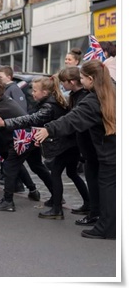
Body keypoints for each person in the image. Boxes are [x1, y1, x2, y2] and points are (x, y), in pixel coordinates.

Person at [35, 60, 116, 240]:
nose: (81, 81)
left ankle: (107, 228)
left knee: (108, 190)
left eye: (82, 78)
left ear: (91, 79)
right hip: (112, 151)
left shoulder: (93, 100)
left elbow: (72, 119)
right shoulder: (114, 90)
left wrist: (49, 129)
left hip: (109, 154)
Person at [0, 75, 88, 219]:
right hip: (65, 143)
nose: (32, 93)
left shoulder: (48, 106)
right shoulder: (53, 102)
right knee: (58, 170)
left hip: (62, 144)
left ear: (45, 92)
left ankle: (52, 207)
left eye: (35, 90)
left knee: (18, 166)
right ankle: (78, 202)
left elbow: (32, 119)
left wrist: (5, 123)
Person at [58, 66, 98, 225]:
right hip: (83, 145)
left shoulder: (86, 97)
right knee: (82, 175)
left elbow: (75, 120)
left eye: (64, 82)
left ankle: (94, 213)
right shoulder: (77, 96)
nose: (62, 85)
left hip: (89, 146)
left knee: (93, 180)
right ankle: (91, 208)